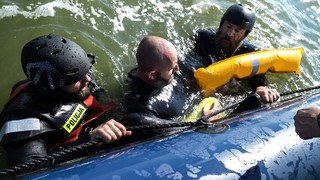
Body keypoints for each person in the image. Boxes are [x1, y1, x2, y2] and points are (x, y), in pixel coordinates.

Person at [0, 34, 131, 167]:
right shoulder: (23, 125)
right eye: (77, 78)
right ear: (52, 86)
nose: (88, 79)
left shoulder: (73, 76)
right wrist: (89, 140)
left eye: (85, 71)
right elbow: (32, 172)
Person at [122, 35, 221, 127]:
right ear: (152, 75)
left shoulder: (164, 65)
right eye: (172, 68)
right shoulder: (144, 109)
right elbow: (179, 131)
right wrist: (205, 121)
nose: (177, 69)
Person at [194, 3, 280, 103]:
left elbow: (259, 81)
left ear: (245, 35)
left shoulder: (251, 54)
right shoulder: (203, 39)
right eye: (228, 26)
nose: (229, 34)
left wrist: (261, 88)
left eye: (237, 31)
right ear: (221, 24)